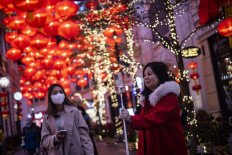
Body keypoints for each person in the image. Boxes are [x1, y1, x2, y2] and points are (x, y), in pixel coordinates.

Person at [120, 62, 187, 155]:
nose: (146, 77)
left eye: (149, 74)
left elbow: (154, 118)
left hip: (168, 149)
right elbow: (143, 132)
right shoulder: (147, 100)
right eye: (144, 75)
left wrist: (131, 119)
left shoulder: (169, 98)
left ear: (160, 75)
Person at [41, 84, 94, 155]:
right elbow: (44, 140)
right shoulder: (47, 117)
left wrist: (89, 153)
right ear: (50, 97)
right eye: (55, 93)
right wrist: (55, 138)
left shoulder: (75, 112)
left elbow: (84, 137)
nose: (59, 95)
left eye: (61, 92)